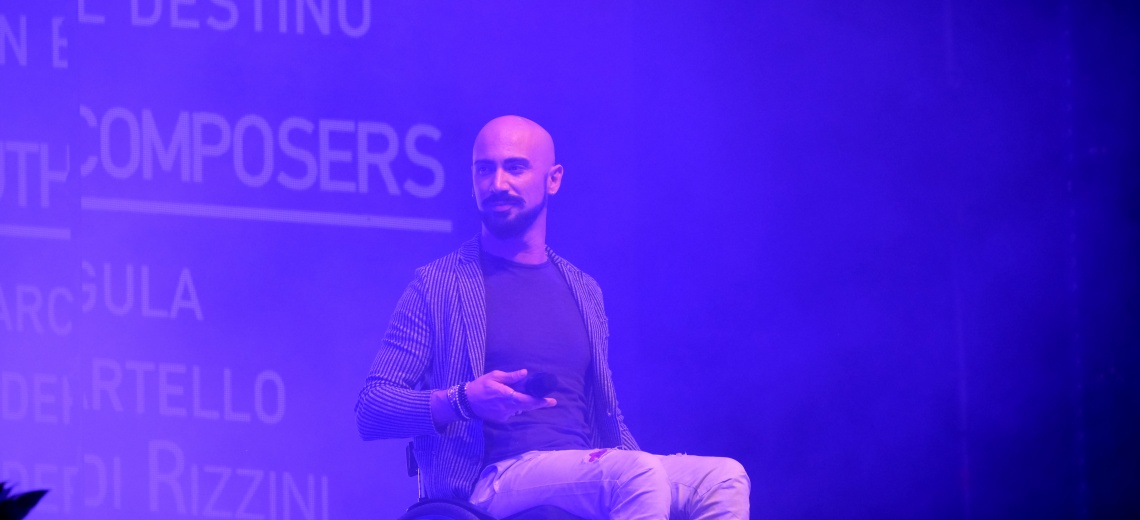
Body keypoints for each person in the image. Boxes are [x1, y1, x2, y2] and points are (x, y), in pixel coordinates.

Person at [355, 115, 750, 519]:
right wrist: (465, 399)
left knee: (723, 476)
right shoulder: (439, 284)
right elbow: (371, 409)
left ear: (553, 179)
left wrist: (637, 462)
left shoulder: (583, 289)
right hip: (490, 480)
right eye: (484, 169)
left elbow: (601, 413)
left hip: (584, 468)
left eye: (515, 167)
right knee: (636, 474)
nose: (497, 184)